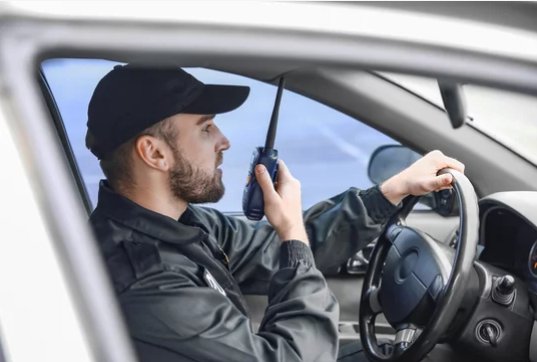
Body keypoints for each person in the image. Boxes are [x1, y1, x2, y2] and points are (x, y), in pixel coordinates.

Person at [86, 63, 465, 362]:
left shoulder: (182, 223)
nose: (224, 141)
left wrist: (391, 191)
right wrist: (292, 235)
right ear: (155, 153)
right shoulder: (148, 283)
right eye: (205, 128)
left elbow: (275, 248)